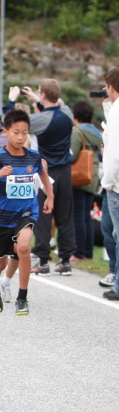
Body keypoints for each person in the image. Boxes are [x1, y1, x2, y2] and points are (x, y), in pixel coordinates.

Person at [0, 109, 53, 315]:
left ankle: (22, 297)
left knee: (24, 248)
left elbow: (43, 174)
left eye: (24, 133)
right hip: (2, 216)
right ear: (5, 132)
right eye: (16, 132)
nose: (20, 137)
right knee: (0, 262)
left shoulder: (33, 157)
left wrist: (50, 196)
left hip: (27, 212)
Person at [5, 81, 75, 275]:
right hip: (65, 170)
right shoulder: (67, 113)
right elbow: (57, 106)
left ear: (43, 95)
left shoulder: (38, 120)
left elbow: (10, 122)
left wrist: (12, 100)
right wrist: (39, 98)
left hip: (46, 172)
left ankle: (43, 259)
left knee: (44, 214)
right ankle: (66, 259)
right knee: (65, 215)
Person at [70, 100, 102, 263]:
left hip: (79, 175)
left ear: (76, 115)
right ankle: (88, 252)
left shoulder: (78, 132)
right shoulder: (97, 133)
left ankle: (78, 252)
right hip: (92, 176)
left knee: (78, 215)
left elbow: (72, 155)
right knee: (86, 216)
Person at [98, 67, 119, 301]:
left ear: (110, 88)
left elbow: (113, 154)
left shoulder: (115, 114)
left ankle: (118, 284)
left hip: (117, 184)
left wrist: (108, 182)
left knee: (116, 234)